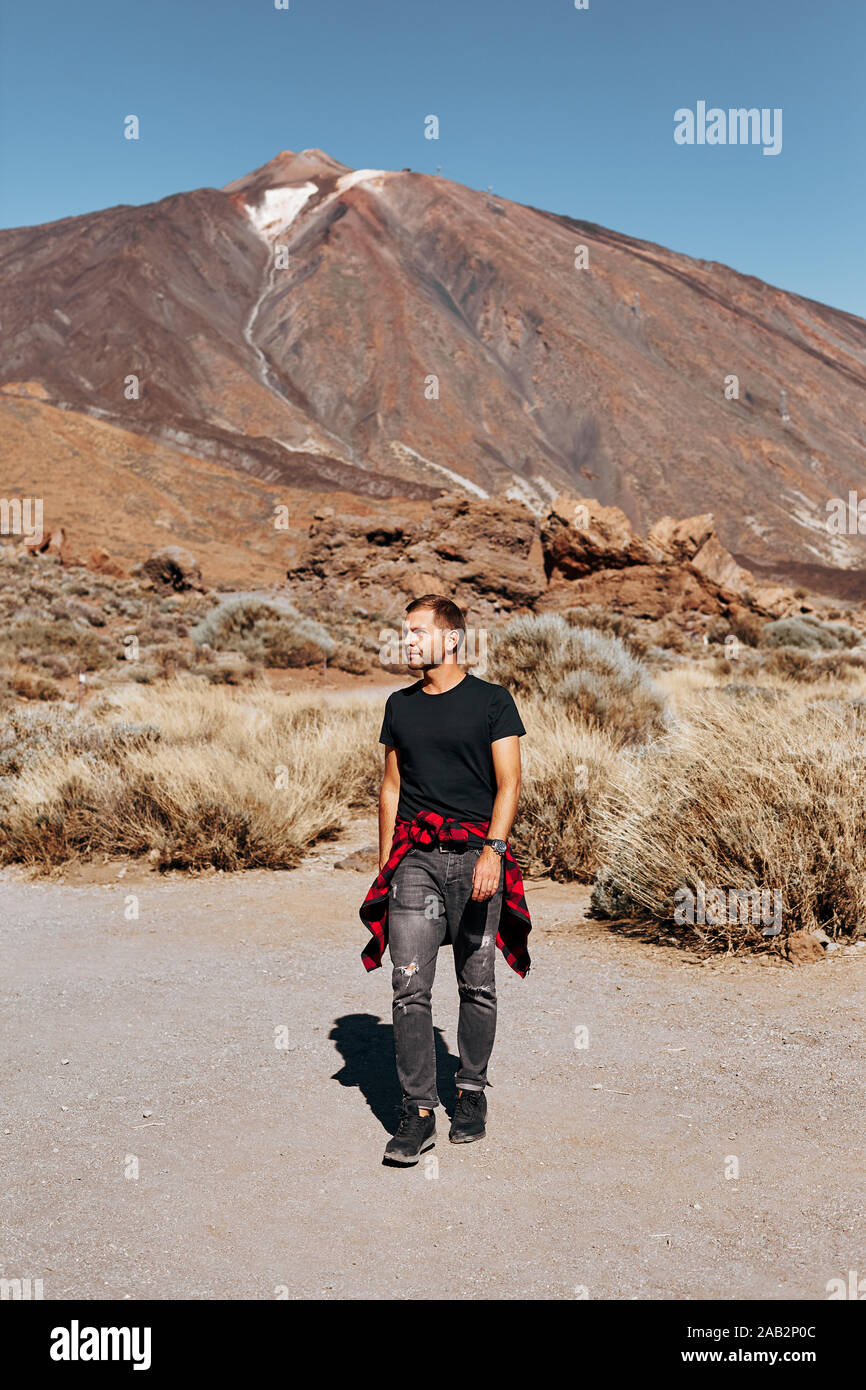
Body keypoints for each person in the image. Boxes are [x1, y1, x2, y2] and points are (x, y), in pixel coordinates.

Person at [359, 594, 531, 1165]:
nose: (406, 641)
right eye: (404, 632)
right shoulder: (398, 706)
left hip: (478, 858)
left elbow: (509, 784)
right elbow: (390, 789)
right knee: (409, 986)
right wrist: (388, 866)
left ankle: (471, 1092)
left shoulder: (492, 702)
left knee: (476, 983)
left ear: (451, 639)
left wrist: (494, 852)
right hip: (415, 862)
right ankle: (418, 1111)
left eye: (415, 632)